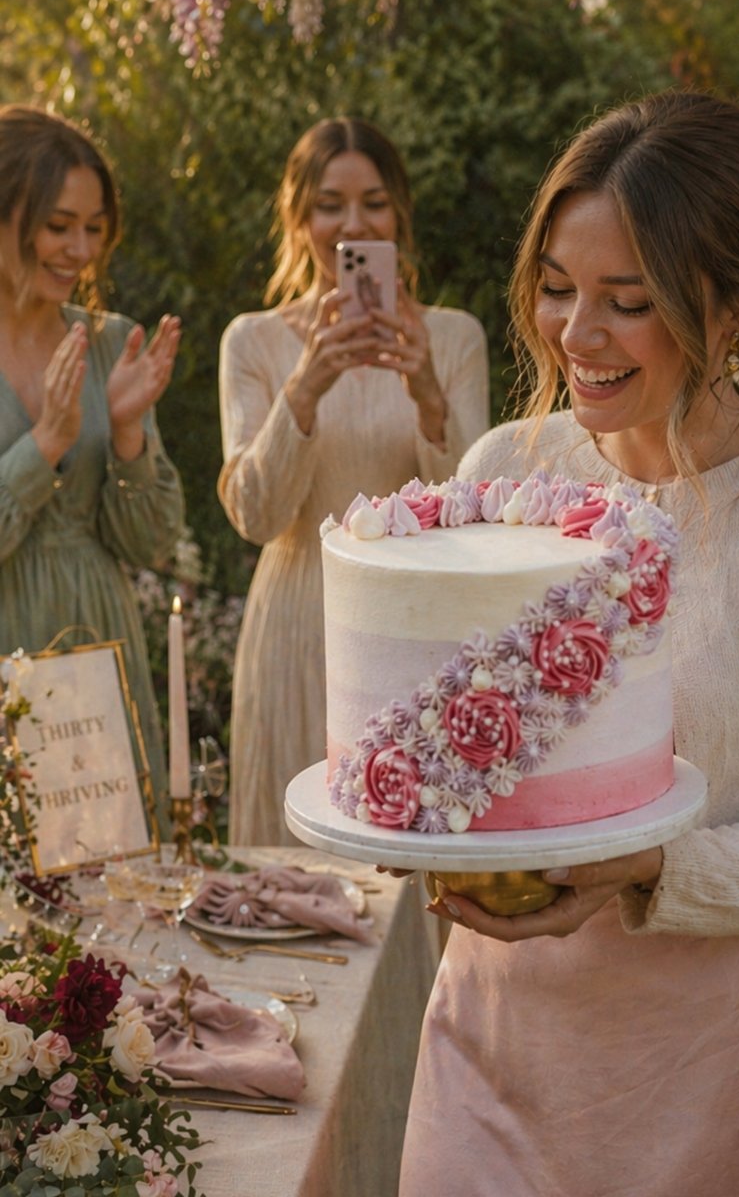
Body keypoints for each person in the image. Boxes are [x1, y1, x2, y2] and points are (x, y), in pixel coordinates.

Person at [398, 89, 739, 1196]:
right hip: (493, 1031)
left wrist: (648, 867)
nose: (574, 334)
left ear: (737, 310)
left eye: (627, 301)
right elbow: (452, 738)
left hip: (709, 1058)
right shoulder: (498, 477)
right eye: (558, 287)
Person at [218, 117, 490, 847]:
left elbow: (479, 519)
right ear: (298, 218)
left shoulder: (455, 336)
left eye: (372, 202)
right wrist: (305, 386)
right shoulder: (254, 340)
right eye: (329, 205)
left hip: (414, 627)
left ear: (398, 211)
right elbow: (253, 514)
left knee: (409, 855)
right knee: (296, 865)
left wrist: (427, 389)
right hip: (296, 617)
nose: (351, 224)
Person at [0, 105, 185, 836]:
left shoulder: (109, 344)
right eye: (57, 224)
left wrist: (130, 433)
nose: (79, 248)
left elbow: (152, 542)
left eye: (95, 227)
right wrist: (44, 443)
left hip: (96, 651)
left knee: (110, 906)